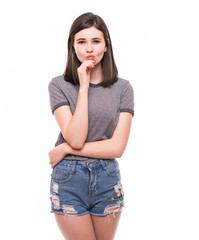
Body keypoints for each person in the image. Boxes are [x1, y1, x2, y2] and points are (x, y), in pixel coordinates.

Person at [48, 12, 134, 240]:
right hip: (69, 178)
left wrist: (65, 148)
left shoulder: (123, 89)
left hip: (107, 177)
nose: (89, 49)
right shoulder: (59, 85)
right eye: (81, 42)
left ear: (106, 46)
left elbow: (117, 148)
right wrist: (84, 87)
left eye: (96, 41)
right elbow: (76, 137)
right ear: (73, 47)